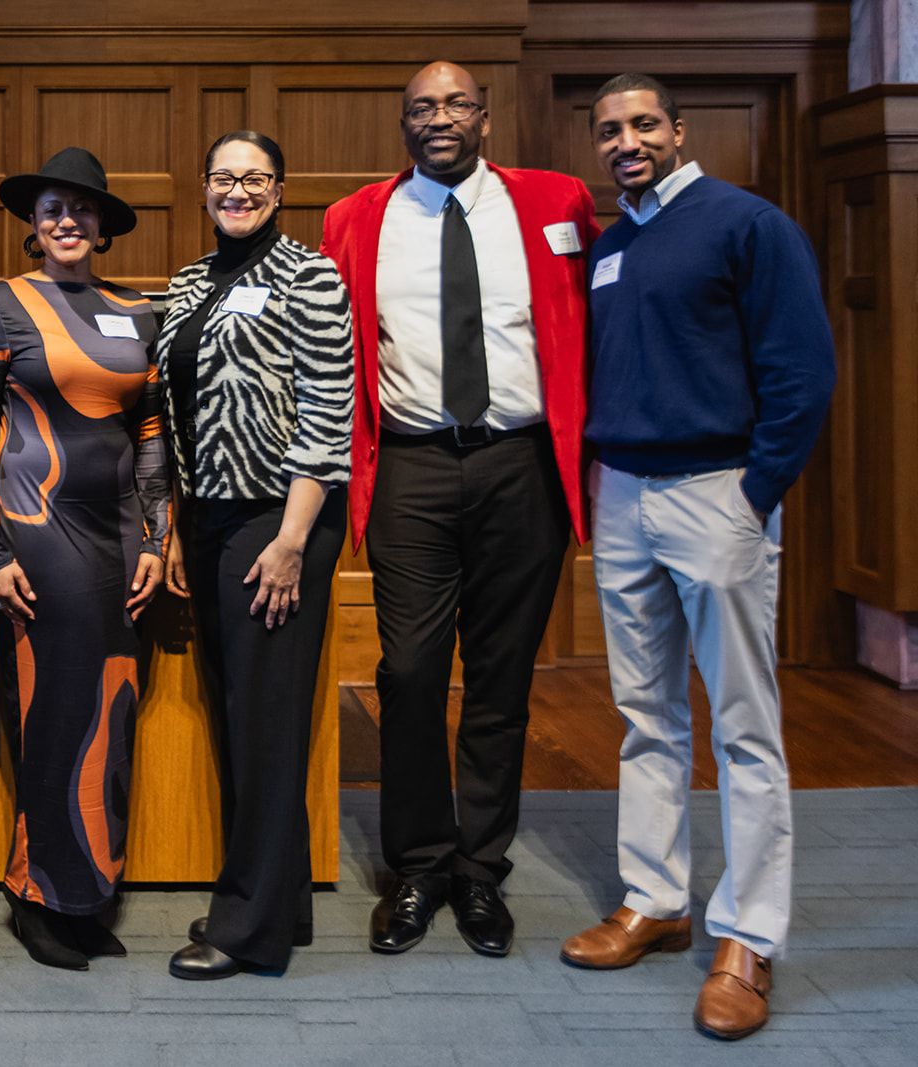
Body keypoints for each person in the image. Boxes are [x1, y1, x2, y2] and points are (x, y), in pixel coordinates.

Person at [560, 74, 834, 1041]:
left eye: (642, 125)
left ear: (680, 130)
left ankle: (749, 938)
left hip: (719, 492)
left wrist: (755, 495)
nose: (626, 141)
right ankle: (657, 900)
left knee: (746, 728)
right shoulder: (614, 242)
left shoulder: (745, 224)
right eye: (609, 130)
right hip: (624, 493)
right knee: (645, 714)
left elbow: (803, 370)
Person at [320, 61, 597, 959]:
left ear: (484, 115)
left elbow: (594, 317)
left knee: (501, 679)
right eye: (421, 107)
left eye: (455, 104)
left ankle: (480, 868)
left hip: (522, 464)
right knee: (407, 672)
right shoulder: (355, 220)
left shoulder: (554, 201)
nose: (439, 118)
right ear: (402, 123)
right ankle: (418, 863)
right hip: (411, 468)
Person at [0, 147, 168, 970]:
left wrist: (158, 538)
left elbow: (151, 437)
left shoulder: (136, 312)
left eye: (82, 210)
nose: (66, 221)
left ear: (102, 226)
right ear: (32, 226)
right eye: (51, 210)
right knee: (55, 711)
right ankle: (39, 894)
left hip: (119, 538)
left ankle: (85, 890)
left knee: (110, 709)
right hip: (37, 533)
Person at [156, 131, 354, 980]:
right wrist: (171, 524)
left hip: (279, 516)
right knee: (243, 714)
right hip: (208, 518)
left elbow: (327, 406)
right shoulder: (189, 282)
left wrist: (291, 540)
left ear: (280, 187)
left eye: (255, 178)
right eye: (224, 179)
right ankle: (284, 901)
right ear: (203, 190)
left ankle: (247, 931)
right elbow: (172, 412)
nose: (239, 191)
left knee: (266, 720)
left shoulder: (310, 276)